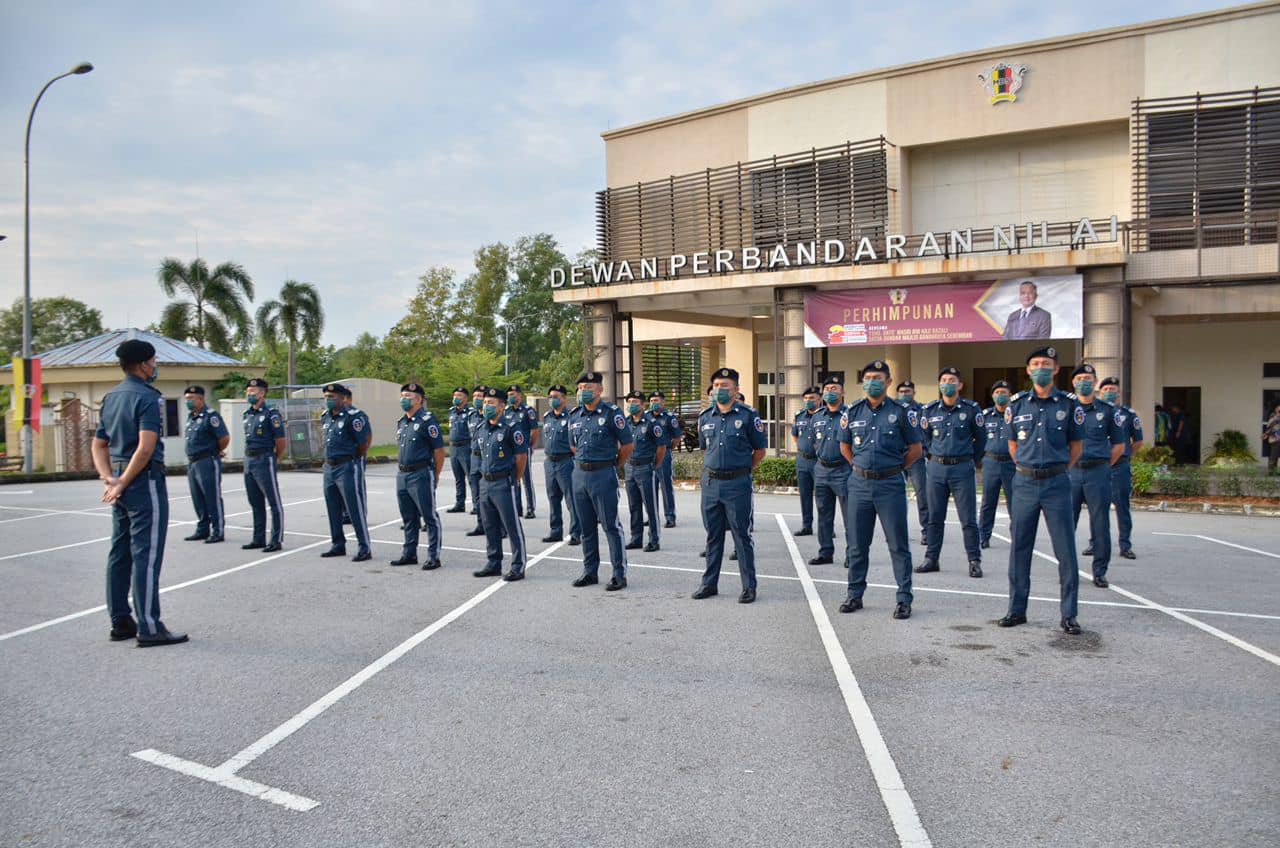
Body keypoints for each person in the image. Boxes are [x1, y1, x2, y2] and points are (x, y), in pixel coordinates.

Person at [90, 338, 187, 646]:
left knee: (120, 552)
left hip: (119, 477)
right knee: (146, 554)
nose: (155, 365)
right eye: (154, 361)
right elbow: (145, 448)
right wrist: (123, 480)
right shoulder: (147, 397)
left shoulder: (112, 397)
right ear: (144, 364)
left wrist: (110, 478)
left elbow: (98, 444)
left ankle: (121, 621)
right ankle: (148, 626)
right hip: (142, 481)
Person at [999, 345, 1086, 635]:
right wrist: (1028, 467)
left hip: (1057, 484)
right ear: (1028, 370)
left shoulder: (1069, 405)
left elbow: (1076, 447)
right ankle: (1016, 609)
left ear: (1056, 369)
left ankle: (1069, 614)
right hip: (1023, 483)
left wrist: (1055, 468)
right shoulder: (1016, 404)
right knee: (1020, 548)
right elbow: (1013, 445)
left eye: (1046, 363)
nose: (1041, 368)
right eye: (1036, 363)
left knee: (1065, 550)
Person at [837, 359, 921, 619]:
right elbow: (845, 447)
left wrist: (893, 468)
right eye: (868, 377)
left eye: (877, 377)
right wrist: (861, 468)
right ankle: (854, 594)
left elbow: (916, 450)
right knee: (857, 545)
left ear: (888, 382)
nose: (872, 382)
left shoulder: (902, 411)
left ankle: (904, 599)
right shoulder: (852, 411)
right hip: (859, 484)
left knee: (898, 544)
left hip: (890, 484)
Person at [692, 367, 767, 603]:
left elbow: (760, 451)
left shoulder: (748, 415)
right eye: (716, 386)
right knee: (713, 536)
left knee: (741, 536)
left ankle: (748, 586)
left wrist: (741, 470)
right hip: (712, 483)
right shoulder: (705, 417)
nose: (719, 390)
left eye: (724, 386)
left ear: (736, 390)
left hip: (737, 484)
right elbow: (706, 450)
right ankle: (709, 584)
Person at [917, 366, 986, 577]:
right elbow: (924, 438)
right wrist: (932, 456)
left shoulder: (971, 409)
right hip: (937, 468)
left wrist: (970, 460)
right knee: (934, 518)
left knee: (968, 519)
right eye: (944, 380)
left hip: (962, 468)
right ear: (939, 385)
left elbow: (981, 439)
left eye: (952, 380)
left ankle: (974, 560)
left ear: (960, 385)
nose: (948, 383)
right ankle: (931, 558)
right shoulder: (928, 411)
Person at [568, 372, 633, 590]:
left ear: (599, 390)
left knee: (610, 526)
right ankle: (590, 571)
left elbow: (627, 445)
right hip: (579, 476)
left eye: (588, 387)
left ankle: (619, 574)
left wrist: (613, 465)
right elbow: (573, 446)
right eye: (580, 388)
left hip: (603, 475)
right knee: (586, 528)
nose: (583, 391)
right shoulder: (574, 415)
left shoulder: (612, 413)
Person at [1068, 364, 1126, 589]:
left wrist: (1102, 464)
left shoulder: (1109, 410)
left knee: (1100, 523)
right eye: (1080, 377)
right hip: (1072, 472)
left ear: (1095, 382)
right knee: (1065, 524)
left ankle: (1100, 571)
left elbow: (1119, 446)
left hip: (1098, 472)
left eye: (1088, 378)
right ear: (1073, 383)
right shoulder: (1066, 409)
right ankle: (1068, 569)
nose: (1084, 381)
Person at [473, 387, 528, 581]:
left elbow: (521, 457)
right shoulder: (481, 428)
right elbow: (478, 455)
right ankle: (493, 563)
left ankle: (518, 566)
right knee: (490, 526)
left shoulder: (512, 427)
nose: (487, 406)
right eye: (485, 402)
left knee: (512, 526)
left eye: (491, 403)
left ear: (502, 406)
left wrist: (515, 479)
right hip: (485, 483)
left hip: (504, 483)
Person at [389, 382, 446, 570]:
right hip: (402, 474)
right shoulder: (402, 422)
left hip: (421, 474)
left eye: (409, 396)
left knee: (429, 516)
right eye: (403, 395)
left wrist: (435, 475)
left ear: (420, 400)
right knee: (408, 517)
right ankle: (409, 553)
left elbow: (439, 451)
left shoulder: (427, 421)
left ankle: (433, 556)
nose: (405, 399)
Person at [319, 383, 372, 562]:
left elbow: (362, 444)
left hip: (346, 466)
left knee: (354, 508)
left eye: (332, 397)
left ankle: (364, 547)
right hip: (329, 467)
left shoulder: (353, 417)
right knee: (333, 507)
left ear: (343, 398)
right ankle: (338, 544)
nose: (328, 400)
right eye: (326, 397)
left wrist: (353, 460)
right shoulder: (325, 417)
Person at [1098, 378, 1144, 559]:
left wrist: (1123, 456)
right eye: (1106, 389)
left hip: (1119, 467)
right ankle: (1095, 543)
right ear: (1100, 393)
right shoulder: (1093, 412)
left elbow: (1138, 442)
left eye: (1113, 389)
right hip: (1098, 467)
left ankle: (1125, 545)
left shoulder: (1128, 414)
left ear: (1119, 393)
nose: (1109, 391)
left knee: (1122, 506)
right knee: (1098, 508)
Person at [809, 375, 850, 566]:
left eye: (834, 388)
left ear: (842, 392)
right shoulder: (817, 416)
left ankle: (853, 554)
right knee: (824, 514)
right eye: (827, 389)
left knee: (850, 516)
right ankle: (825, 552)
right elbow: (815, 443)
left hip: (843, 470)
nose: (830, 392)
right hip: (822, 470)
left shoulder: (850, 414)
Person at [241, 378, 286, 552]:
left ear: (262, 393)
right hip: (249, 461)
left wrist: (274, 458)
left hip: (264, 459)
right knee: (255, 502)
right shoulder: (247, 414)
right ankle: (258, 538)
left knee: (274, 502)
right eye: (248, 391)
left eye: (253, 392)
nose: (249, 394)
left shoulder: (271, 414)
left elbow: (280, 441)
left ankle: (276, 539)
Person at [182, 385, 229, 545]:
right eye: (186, 398)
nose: (187, 401)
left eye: (191, 398)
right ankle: (203, 529)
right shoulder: (191, 417)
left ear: (200, 399)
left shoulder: (211, 416)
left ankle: (218, 530)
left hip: (207, 461)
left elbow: (224, 438)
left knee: (212, 497)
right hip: (193, 462)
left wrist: (216, 450)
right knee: (198, 498)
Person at [623, 389, 669, 552]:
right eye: (629, 402)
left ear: (643, 405)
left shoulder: (651, 423)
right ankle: (636, 538)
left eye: (635, 403)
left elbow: (661, 446)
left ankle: (654, 540)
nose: (631, 405)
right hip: (629, 467)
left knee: (650, 506)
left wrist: (654, 465)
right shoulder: (625, 423)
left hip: (645, 467)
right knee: (633, 505)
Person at [540, 383, 580, 544]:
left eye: (556, 397)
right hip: (550, 463)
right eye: (550, 397)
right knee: (553, 498)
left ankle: (576, 532)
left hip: (566, 462)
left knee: (571, 499)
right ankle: (555, 531)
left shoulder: (572, 416)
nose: (552, 400)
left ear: (564, 398)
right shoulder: (547, 416)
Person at [979, 380, 1015, 550]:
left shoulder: (1016, 415)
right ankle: (983, 536)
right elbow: (977, 438)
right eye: (997, 392)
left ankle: (1018, 536)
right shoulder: (985, 416)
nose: (1001, 395)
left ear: (1010, 395)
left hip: (1011, 463)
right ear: (992, 395)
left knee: (1014, 502)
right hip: (991, 462)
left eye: (1004, 392)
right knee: (988, 501)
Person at [896, 380, 930, 545]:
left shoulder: (923, 410)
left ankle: (927, 531)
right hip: (897, 457)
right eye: (901, 391)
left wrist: (927, 452)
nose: (904, 394)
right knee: (897, 496)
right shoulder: (893, 409)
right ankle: (899, 532)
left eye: (908, 391)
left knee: (922, 495)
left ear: (914, 393)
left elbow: (928, 433)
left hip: (916, 458)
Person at [505, 384, 540, 518]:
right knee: (515, 478)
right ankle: (517, 507)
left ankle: (531, 508)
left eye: (513, 394)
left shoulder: (528, 411)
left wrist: (530, 446)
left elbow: (535, 430)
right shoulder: (507, 411)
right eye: (509, 395)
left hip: (523, 449)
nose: (511, 397)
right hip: (511, 450)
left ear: (520, 395)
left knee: (526, 479)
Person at [648, 391, 682, 527]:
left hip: (664, 454)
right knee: (650, 487)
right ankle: (652, 516)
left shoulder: (669, 418)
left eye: (656, 400)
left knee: (665, 486)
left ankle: (670, 516)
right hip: (648, 455)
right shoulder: (646, 417)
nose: (653, 403)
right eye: (651, 401)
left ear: (663, 402)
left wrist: (668, 448)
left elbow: (677, 437)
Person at [792, 385, 821, 537]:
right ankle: (806, 525)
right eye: (806, 398)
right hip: (802, 461)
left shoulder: (824, 415)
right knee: (805, 495)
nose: (809, 401)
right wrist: (803, 447)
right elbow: (795, 435)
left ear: (819, 400)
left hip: (818, 461)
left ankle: (825, 527)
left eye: (812, 398)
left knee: (822, 496)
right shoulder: (799, 416)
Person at [445, 386, 474, 514]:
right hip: (454, 448)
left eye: (459, 396)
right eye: (455, 395)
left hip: (465, 447)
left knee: (471, 477)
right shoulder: (452, 411)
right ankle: (460, 503)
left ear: (466, 398)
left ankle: (477, 504)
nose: (456, 398)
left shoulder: (470, 413)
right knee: (458, 478)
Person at [466, 386, 488, 537]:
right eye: (474, 396)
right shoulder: (472, 416)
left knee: (491, 494)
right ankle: (481, 524)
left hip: (488, 457)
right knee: (476, 493)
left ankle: (499, 527)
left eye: (480, 396)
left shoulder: (492, 416)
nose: (476, 399)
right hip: (474, 457)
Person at [1266, 403, 1280, 475]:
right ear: (1276, 409)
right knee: (1273, 455)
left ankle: (1275, 470)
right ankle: (1270, 471)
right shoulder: (1273, 415)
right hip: (1274, 438)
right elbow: (1269, 425)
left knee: (1277, 455)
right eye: (1278, 408)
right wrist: (1276, 418)